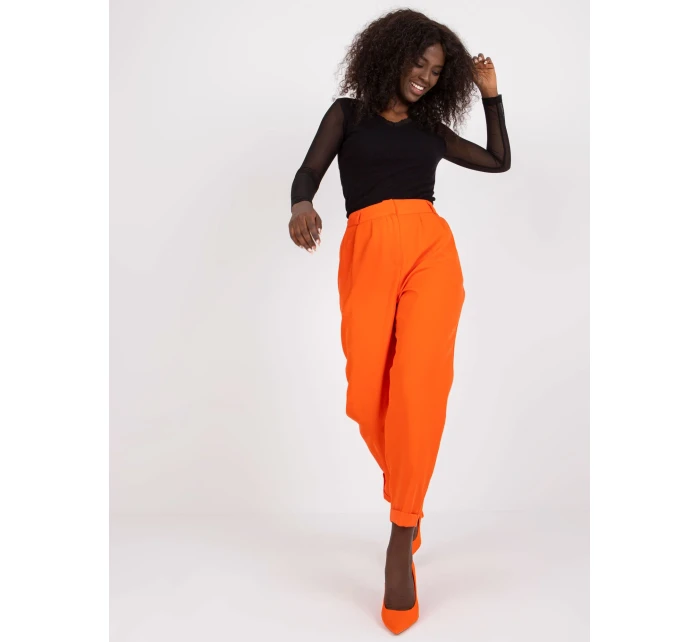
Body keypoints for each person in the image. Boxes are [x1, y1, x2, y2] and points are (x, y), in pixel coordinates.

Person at [289, 8, 511, 634]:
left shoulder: (431, 130)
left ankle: (401, 530)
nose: (426, 77)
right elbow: (309, 171)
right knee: (367, 395)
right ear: (391, 54)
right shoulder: (348, 114)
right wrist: (301, 202)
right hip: (366, 251)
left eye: (438, 71)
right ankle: (406, 493)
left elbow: (498, 161)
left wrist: (491, 97)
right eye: (420, 62)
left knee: (419, 385)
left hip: (429, 252)